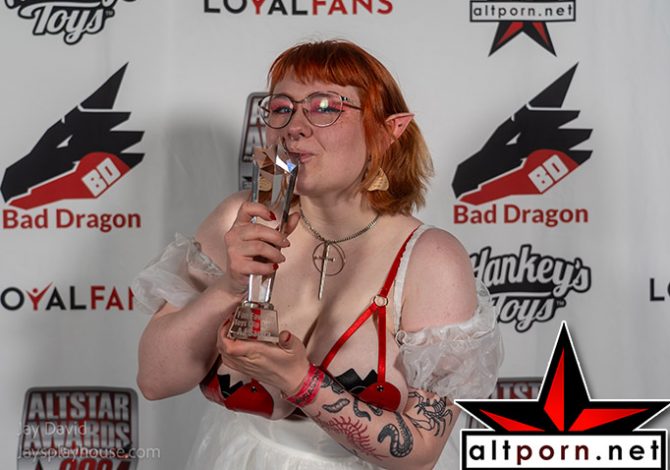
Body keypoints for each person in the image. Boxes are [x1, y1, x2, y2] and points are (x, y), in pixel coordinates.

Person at [133, 39, 502, 469]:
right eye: (281, 108)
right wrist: (229, 286)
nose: (294, 126)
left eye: (325, 107)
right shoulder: (241, 220)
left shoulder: (429, 259)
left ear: (389, 131)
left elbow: (419, 453)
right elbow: (155, 381)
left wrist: (298, 380)